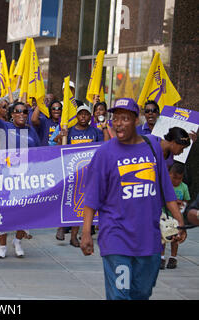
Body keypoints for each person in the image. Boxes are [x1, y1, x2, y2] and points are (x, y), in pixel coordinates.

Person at [80, 98, 186, 300]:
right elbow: (92, 196)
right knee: (120, 296)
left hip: (149, 238)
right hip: (116, 237)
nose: (118, 123)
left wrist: (178, 220)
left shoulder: (153, 147)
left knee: (141, 293)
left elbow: (166, 188)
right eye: (115, 118)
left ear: (136, 121)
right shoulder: (104, 153)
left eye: (125, 118)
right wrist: (86, 232)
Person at [0, 93, 41, 259]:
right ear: (12, 114)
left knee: (24, 211)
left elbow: (38, 153)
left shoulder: (31, 131)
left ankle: (17, 240)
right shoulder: (5, 127)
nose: (22, 114)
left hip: (26, 177)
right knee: (2, 209)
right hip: (5, 176)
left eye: (25, 112)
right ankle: (2, 245)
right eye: (17, 111)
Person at [55, 102, 108, 247]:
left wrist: (104, 128)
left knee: (80, 205)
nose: (83, 116)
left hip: (89, 174)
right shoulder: (70, 131)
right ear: (77, 116)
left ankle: (74, 236)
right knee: (67, 202)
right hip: (71, 173)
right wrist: (61, 137)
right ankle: (61, 226)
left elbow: (106, 144)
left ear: (90, 117)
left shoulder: (95, 132)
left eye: (86, 114)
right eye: (81, 114)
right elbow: (58, 148)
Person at [160, 162, 190, 270]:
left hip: (177, 218)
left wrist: (182, 205)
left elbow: (186, 200)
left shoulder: (184, 187)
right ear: (169, 174)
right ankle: (161, 257)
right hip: (165, 216)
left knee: (175, 238)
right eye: (174, 178)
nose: (176, 181)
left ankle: (173, 257)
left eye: (179, 179)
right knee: (164, 237)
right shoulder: (164, 186)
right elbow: (160, 199)